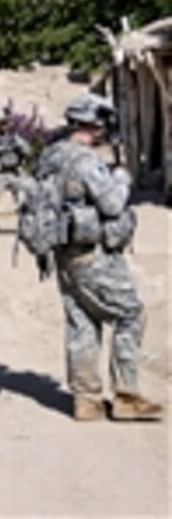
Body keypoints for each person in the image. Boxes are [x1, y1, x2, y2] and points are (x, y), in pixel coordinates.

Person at [38, 93, 161, 421]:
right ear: (94, 125)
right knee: (130, 314)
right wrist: (121, 178)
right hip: (92, 254)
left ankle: (86, 400)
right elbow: (111, 205)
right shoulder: (85, 161)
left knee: (82, 322)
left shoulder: (51, 155)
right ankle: (126, 396)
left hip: (63, 252)